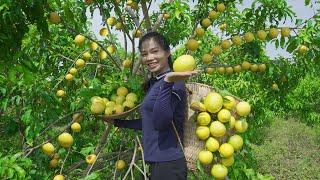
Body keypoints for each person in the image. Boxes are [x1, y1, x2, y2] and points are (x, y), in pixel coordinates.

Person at [107, 31, 197, 180]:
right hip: (155, 162)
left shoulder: (175, 83)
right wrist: (117, 122)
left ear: (167, 52)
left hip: (169, 164)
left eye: (155, 51)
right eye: (144, 54)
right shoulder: (155, 83)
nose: (149, 58)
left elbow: (161, 123)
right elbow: (150, 123)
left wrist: (168, 81)